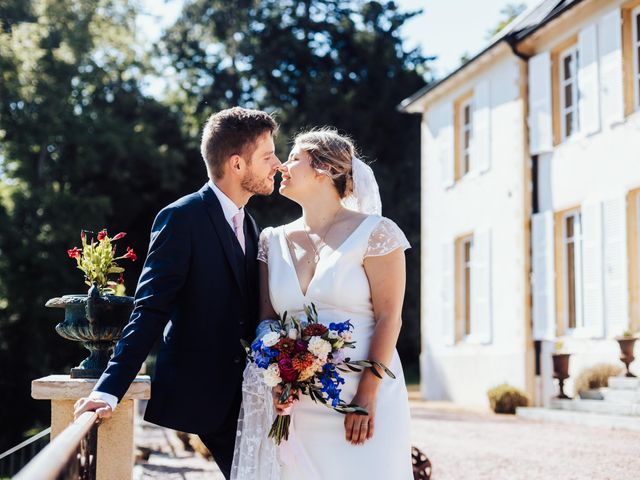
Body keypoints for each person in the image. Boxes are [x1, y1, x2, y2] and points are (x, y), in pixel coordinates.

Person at [73, 107, 281, 479]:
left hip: (250, 395)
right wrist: (108, 390)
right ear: (237, 164)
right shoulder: (182, 218)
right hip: (205, 396)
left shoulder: (249, 223)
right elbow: (149, 309)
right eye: (267, 156)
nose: (277, 165)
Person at [231, 128, 413, 479]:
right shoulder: (271, 240)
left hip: (362, 393)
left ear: (324, 169)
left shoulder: (377, 233)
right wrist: (276, 372)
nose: (283, 165)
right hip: (297, 403)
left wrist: (367, 394)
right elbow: (268, 319)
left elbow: (390, 318)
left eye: (294, 158)